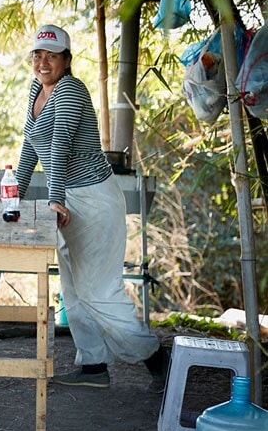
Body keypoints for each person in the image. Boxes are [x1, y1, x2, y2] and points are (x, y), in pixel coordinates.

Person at [15, 24, 167, 392]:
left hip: (93, 199)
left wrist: (54, 198)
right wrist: (13, 196)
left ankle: (158, 359)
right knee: (73, 290)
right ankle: (94, 365)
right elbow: (32, 147)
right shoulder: (37, 89)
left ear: (66, 60)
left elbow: (60, 146)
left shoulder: (71, 89)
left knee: (99, 291)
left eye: (52, 55)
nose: (43, 62)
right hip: (66, 197)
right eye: (38, 54)